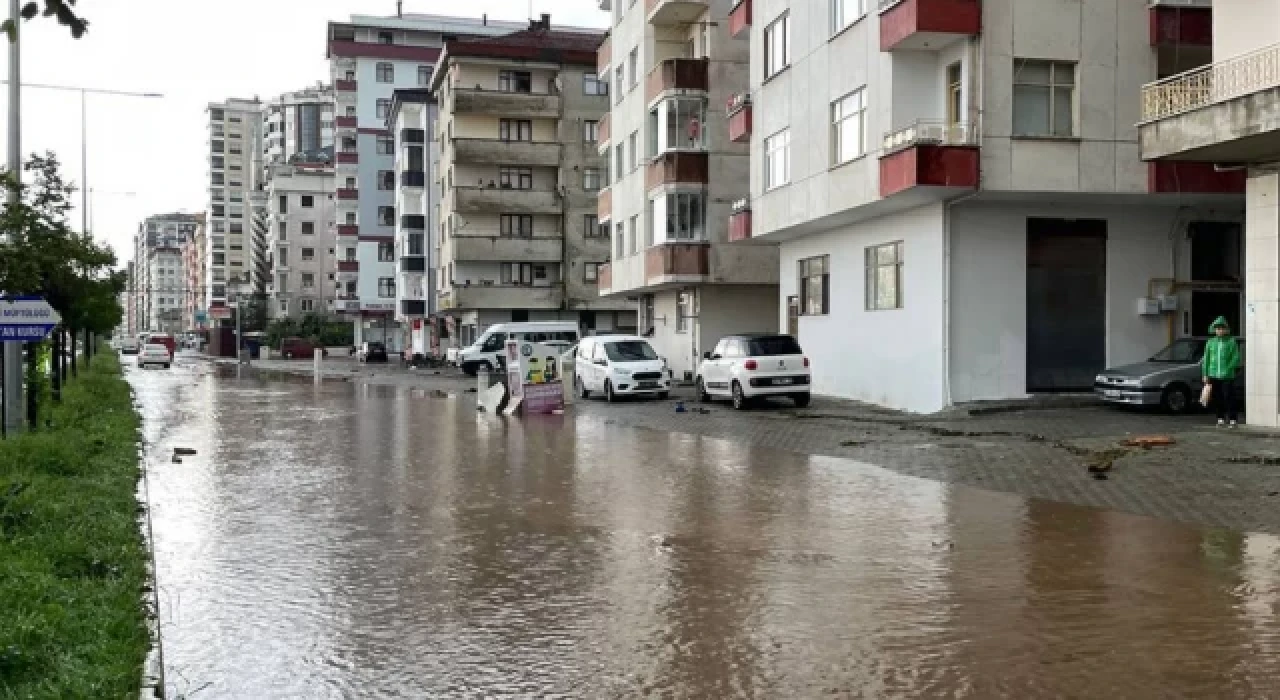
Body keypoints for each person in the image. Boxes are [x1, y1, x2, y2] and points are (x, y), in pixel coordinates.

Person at [1202, 316, 1242, 427]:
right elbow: (1206, 359)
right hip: (1213, 374)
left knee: (1229, 397)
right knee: (1217, 397)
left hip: (1227, 376)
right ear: (1214, 329)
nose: (1220, 330)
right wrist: (1205, 374)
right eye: (1218, 328)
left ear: (1226, 329)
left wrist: (1228, 369)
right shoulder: (1210, 342)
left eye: (1222, 328)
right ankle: (1220, 418)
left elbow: (1236, 358)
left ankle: (1233, 419)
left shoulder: (1231, 341)